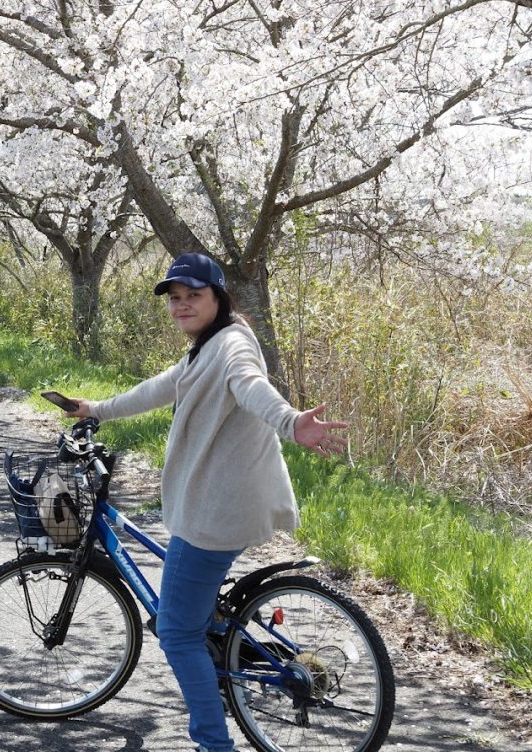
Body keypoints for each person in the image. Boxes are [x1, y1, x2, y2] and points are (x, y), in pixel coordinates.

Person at [66, 252, 347, 752]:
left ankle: (214, 745)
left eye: (193, 296)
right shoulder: (205, 348)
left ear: (219, 297)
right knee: (192, 617)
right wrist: (98, 410)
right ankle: (223, 643)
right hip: (219, 504)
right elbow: (160, 388)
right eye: (175, 298)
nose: (181, 306)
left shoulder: (232, 345)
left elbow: (251, 386)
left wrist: (291, 422)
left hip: (217, 514)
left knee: (175, 633)